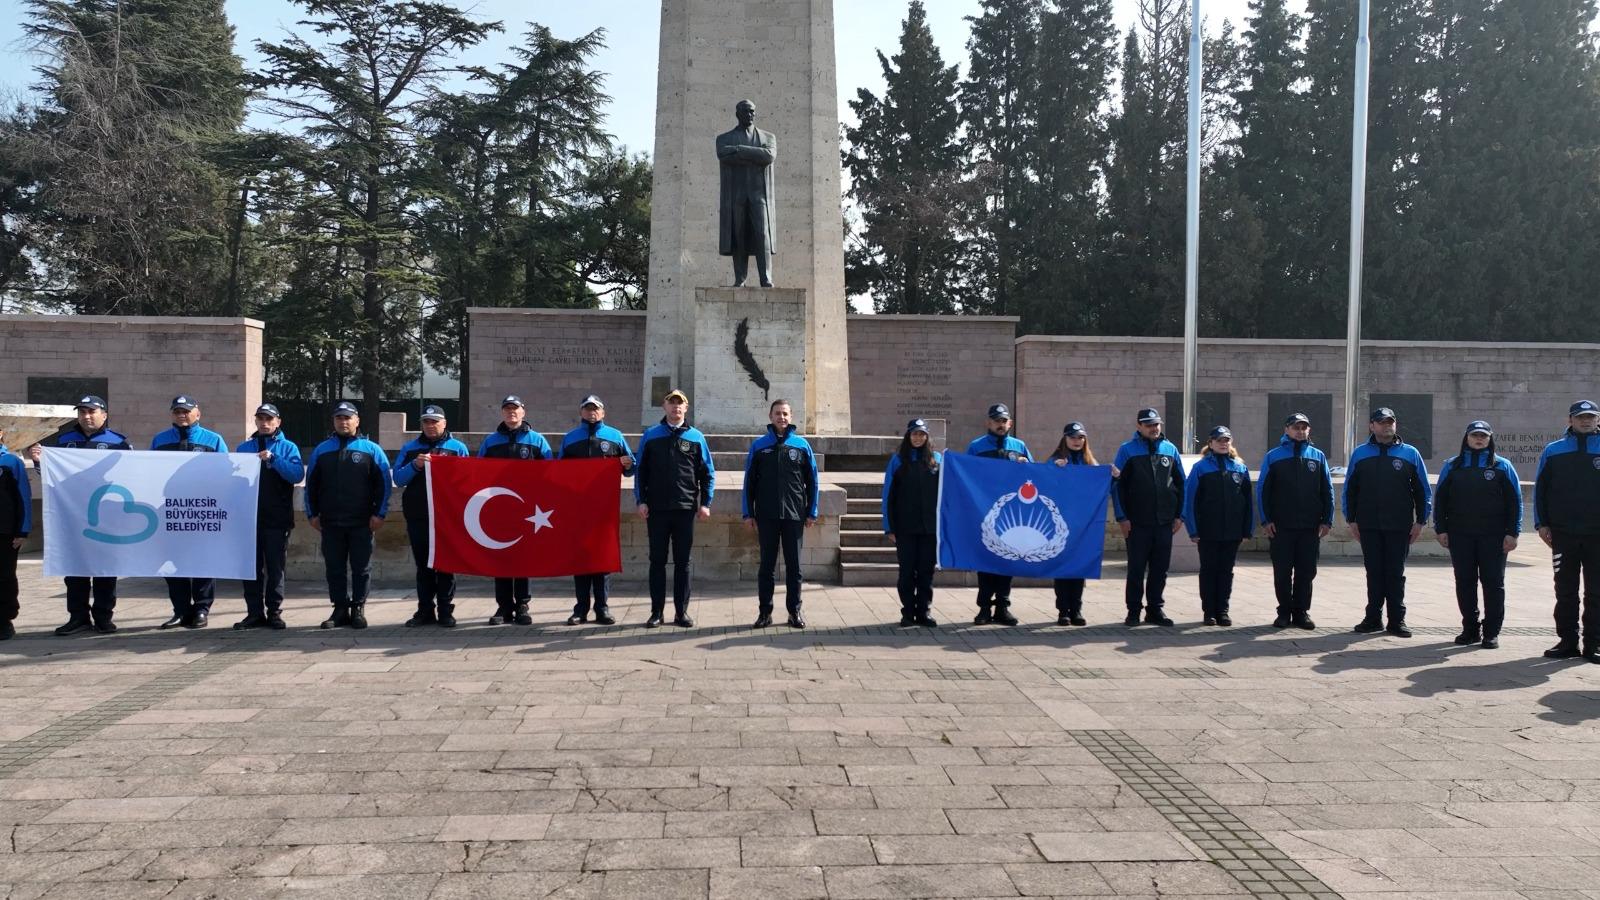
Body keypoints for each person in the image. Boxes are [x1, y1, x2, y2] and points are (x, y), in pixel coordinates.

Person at [31, 395, 131, 635]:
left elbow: (129, 475)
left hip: (105, 516)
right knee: (74, 569)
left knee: (104, 570)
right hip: (71, 517)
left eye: (92, 412)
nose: (86, 416)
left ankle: (103, 617)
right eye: (82, 412)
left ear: (104, 415)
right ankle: (78, 617)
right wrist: (38, 462)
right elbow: (52, 476)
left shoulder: (118, 443)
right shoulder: (64, 441)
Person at [1343, 407, 1431, 638]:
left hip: (1399, 525)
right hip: (1369, 524)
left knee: (1395, 572)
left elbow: (1422, 490)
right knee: (1373, 572)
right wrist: (1351, 519)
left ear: (1395, 425)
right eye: (1381, 422)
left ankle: (1397, 620)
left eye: (1390, 422)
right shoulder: (1360, 453)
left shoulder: (1410, 453)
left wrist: (1420, 521)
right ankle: (1373, 618)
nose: (1386, 426)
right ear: (1372, 426)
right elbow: (1350, 489)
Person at [1433, 420, 1521, 650]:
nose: (1479, 439)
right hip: (1460, 535)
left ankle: (1491, 632)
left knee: (1493, 583)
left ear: (1490, 438)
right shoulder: (1452, 466)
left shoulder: (1502, 466)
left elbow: (1515, 502)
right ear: (1467, 438)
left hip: (1493, 536)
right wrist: (1441, 528)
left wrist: (1513, 533)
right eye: (1475, 435)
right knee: (1465, 582)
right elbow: (1440, 499)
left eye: (1483, 435)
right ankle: (1470, 628)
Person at [304, 402, 391, 630]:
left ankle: (358, 608)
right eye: (339, 418)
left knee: (361, 568)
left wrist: (379, 514)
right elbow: (311, 485)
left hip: (362, 521)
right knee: (334, 567)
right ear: (334, 421)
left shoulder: (372, 449)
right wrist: (312, 514)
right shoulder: (322, 450)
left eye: (347, 418)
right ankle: (340, 608)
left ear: (357, 421)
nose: (343, 422)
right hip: (330, 522)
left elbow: (383, 485)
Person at [634, 388, 714, 628]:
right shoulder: (651, 435)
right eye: (671, 403)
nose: (675, 407)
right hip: (657, 509)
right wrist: (641, 500)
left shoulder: (696, 437)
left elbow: (707, 473)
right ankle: (656, 612)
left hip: (685, 508)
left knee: (682, 563)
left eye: (680, 404)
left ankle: (681, 612)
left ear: (686, 408)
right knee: (657, 561)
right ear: (664, 407)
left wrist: (706, 503)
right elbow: (641, 472)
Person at [149, 395, 229, 629]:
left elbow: (225, 473)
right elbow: (148, 472)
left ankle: (202, 609)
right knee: (172, 564)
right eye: (177, 412)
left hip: (202, 512)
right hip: (171, 512)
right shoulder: (160, 440)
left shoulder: (213, 440)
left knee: (203, 562)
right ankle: (181, 610)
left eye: (186, 411)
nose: (182, 415)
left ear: (197, 413)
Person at [557, 395, 634, 626]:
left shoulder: (615, 436)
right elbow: (559, 473)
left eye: (596, 409)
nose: (592, 412)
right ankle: (581, 609)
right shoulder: (570, 439)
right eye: (588, 409)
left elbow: (630, 467)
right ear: (581, 412)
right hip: (578, 509)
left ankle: (602, 608)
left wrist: (628, 464)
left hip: (604, 510)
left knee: (602, 559)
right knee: (580, 560)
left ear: (603, 412)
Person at [743, 399, 819, 629]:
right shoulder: (759, 446)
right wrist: (748, 513)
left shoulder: (802, 445)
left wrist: (812, 511)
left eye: (785, 414)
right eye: (777, 414)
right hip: (766, 516)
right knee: (766, 566)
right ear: (770, 416)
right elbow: (749, 483)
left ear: (791, 416)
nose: (781, 418)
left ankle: (794, 612)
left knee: (794, 568)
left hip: (794, 515)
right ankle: (764, 613)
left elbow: (812, 481)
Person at [1534, 399, 1600, 662]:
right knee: (1565, 590)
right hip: (1564, 534)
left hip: (1598, 535)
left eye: (1591, 417)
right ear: (1570, 420)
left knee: (1597, 591)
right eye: (1580, 417)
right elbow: (1541, 490)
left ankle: (1594, 643)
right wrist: (1541, 524)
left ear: (1597, 420)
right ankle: (1567, 641)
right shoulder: (1554, 450)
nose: (1586, 421)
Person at [477, 395, 552, 626]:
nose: (511, 412)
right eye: (507, 409)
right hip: (499, 508)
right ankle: (503, 606)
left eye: (515, 409)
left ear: (523, 412)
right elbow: (477, 472)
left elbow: (550, 472)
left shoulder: (537, 441)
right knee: (501, 557)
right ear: (502, 413)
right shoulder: (491, 442)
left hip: (528, 510)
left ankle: (522, 605)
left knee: (522, 558)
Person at [394, 405, 469, 628]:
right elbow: (398, 478)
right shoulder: (410, 448)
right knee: (423, 565)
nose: (430, 425)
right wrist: (415, 465)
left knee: (446, 565)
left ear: (444, 423)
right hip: (419, 515)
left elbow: (467, 481)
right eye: (426, 421)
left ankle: (446, 610)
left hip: (447, 517)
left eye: (435, 421)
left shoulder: (457, 448)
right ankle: (425, 610)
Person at [1256, 413, 1334, 630]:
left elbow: (1327, 490)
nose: (1300, 431)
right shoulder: (1274, 456)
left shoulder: (1317, 456)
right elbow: (1263, 490)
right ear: (1286, 430)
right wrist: (1266, 520)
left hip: (1310, 526)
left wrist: (1327, 519)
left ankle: (1301, 612)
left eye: (1304, 427)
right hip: (1281, 526)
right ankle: (1284, 612)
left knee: (1306, 571)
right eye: (1296, 427)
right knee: (1282, 571)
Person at [1112, 408, 1186, 627]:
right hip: (1137, 522)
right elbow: (1118, 486)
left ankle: (1155, 610)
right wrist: (1121, 517)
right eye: (1149, 425)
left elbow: (1181, 483)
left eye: (1157, 424)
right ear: (1139, 427)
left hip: (1164, 521)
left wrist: (1179, 515)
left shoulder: (1170, 449)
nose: (1154, 428)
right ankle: (1133, 610)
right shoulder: (1127, 450)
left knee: (1160, 569)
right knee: (1136, 568)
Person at [235, 403, 304, 630]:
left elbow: (296, 474)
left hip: (277, 519)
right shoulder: (244, 448)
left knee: (275, 567)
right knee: (250, 569)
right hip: (249, 520)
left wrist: (273, 459)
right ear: (255, 421)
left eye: (269, 419)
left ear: (278, 422)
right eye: (261, 419)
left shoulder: (288, 447)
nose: (265, 423)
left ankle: (274, 612)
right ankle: (254, 613)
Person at [967, 403, 1032, 625]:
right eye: (996, 421)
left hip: (1011, 515)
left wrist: (1027, 465)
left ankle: (1002, 607)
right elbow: (966, 476)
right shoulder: (976, 447)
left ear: (1010, 423)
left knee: (1007, 560)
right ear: (988, 422)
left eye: (1004, 421)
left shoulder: (1020, 446)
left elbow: (1034, 476)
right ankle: (984, 608)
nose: (1000, 424)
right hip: (985, 513)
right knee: (986, 561)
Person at [1183, 426, 1253, 626]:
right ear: (1211, 443)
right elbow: (1191, 500)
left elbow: (1247, 501)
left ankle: (1223, 609)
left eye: (1226, 440)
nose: (1223, 443)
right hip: (1208, 530)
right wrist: (1193, 529)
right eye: (1219, 440)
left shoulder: (1239, 467)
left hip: (1232, 531)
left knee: (1226, 570)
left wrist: (1246, 528)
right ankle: (1209, 611)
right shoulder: (1201, 468)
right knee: (1208, 570)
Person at [882, 418, 941, 628]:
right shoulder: (897, 461)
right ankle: (908, 612)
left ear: (927, 437)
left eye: (922, 434)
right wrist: (889, 526)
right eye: (914, 434)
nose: (918, 438)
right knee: (907, 572)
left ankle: (924, 612)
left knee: (926, 572)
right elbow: (888, 494)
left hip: (929, 528)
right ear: (908, 436)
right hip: (905, 528)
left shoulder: (937, 460)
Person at [1047, 422, 1103, 626]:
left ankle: (1076, 609)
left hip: (1083, 524)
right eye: (1072, 437)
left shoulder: (1090, 462)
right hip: (1061, 523)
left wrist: (1113, 476)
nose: (1077, 441)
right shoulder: (1056, 460)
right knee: (1062, 568)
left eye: (1080, 437)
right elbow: (1044, 481)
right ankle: (1063, 610)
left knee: (1079, 567)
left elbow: (1100, 486)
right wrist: (1054, 469)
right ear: (1065, 439)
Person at [0, 425, 31, 640]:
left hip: (5, 532)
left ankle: (4, 620)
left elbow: (23, 498)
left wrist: (22, 530)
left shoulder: (11, 462)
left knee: (4, 577)